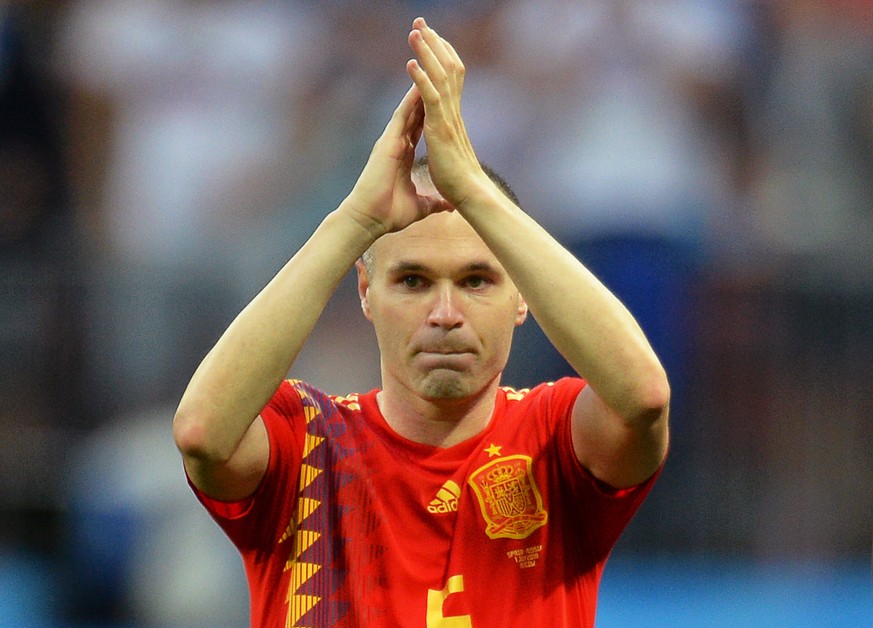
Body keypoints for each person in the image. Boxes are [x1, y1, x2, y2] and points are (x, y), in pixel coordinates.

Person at [173, 17, 670, 627]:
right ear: (365, 290)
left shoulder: (554, 440)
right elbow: (201, 433)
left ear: (524, 299)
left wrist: (477, 195)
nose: (444, 314)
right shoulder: (303, 440)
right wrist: (353, 220)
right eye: (412, 281)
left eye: (476, 280)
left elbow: (643, 397)